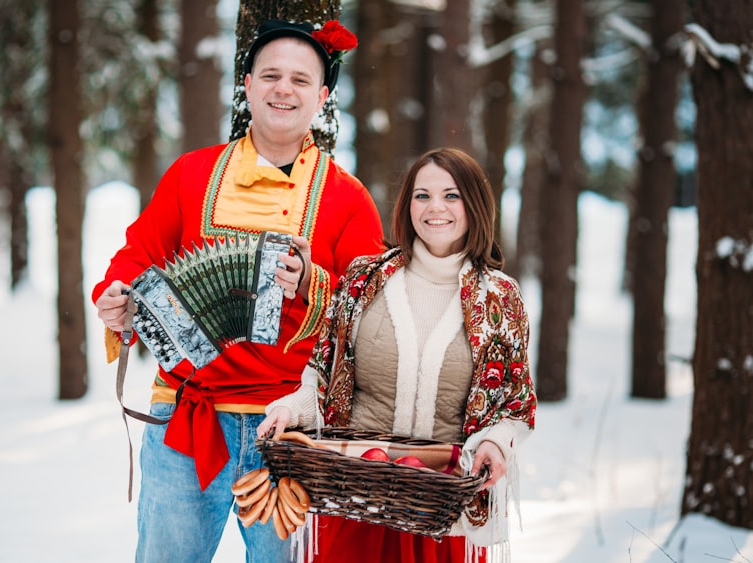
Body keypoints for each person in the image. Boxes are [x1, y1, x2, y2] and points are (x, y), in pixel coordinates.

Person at [92, 18, 384, 563]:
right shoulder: (190, 174)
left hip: (292, 432)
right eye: (270, 75)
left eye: (300, 80)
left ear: (322, 97)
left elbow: (371, 311)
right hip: (185, 418)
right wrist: (115, 293)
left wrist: (312, 283)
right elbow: (137, 257)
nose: (283, 89)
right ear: (246, 86)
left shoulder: (348, 198)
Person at [258, 147, 537, 562]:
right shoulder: (364, 279)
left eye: (451, 195)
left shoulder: (499, 298)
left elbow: (514, 405)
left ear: (475, 205)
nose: (434, 208)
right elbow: (322, 378)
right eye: (421, 195)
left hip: (443, 512)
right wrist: (290, 411)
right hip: (357, 501)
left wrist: (496, 444)